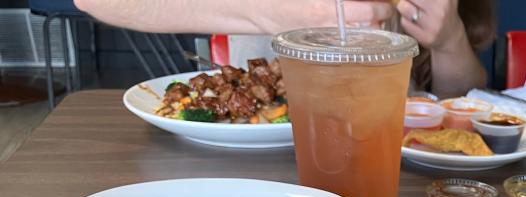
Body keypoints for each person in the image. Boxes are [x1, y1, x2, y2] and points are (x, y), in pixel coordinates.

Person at [74, 0, 494, 96]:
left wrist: (450, 39)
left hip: (399, 173)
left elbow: (460, 100)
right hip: (255, 170)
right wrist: (262, 10)